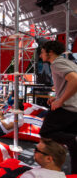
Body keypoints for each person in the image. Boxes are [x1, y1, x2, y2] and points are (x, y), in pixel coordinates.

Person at [39, 40, 77, 173]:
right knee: (74, 148)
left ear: (50, 52)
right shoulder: (68, 62)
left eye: (42, 52)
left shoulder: (57, 63)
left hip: (68, 108)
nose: (40, 55)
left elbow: (75, 80)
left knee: (46, 132)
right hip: (74, 108)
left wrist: (60, 101)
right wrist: (58, 97)